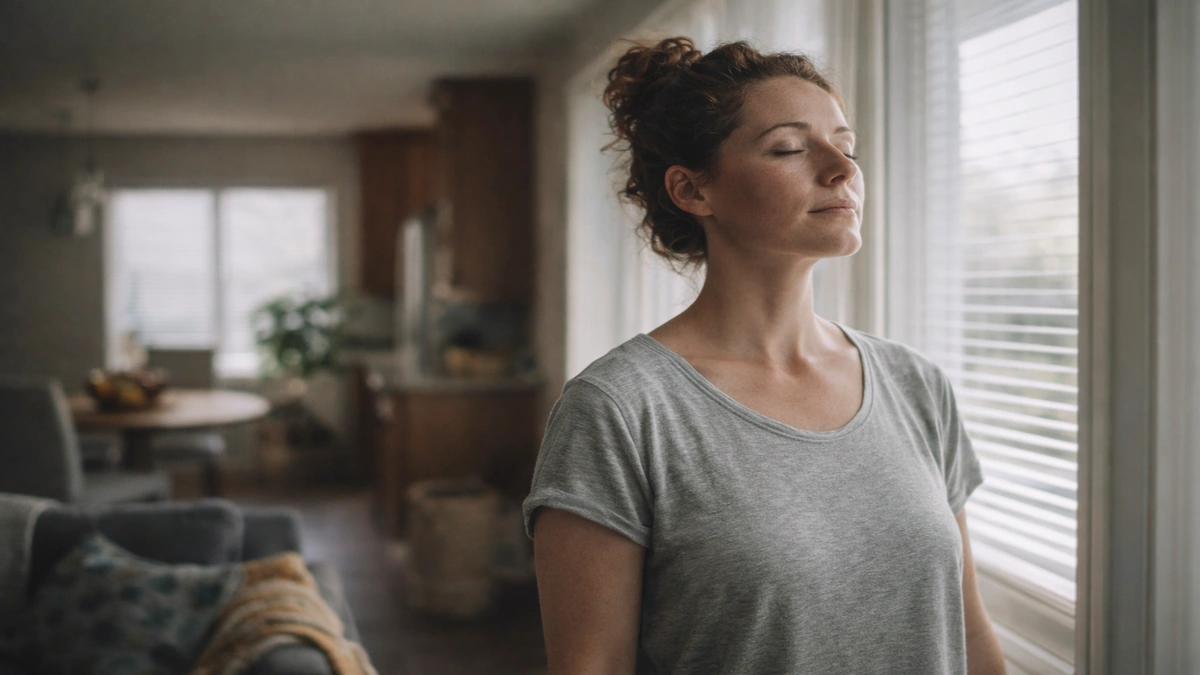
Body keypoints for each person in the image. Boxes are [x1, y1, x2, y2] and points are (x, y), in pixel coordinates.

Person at [523, 37, 1007, 675]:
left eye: (847, 145)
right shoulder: (620, 411)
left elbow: (968, 634)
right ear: (693, 191)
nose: (842, 168)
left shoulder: (915, 385)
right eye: (789, 148)